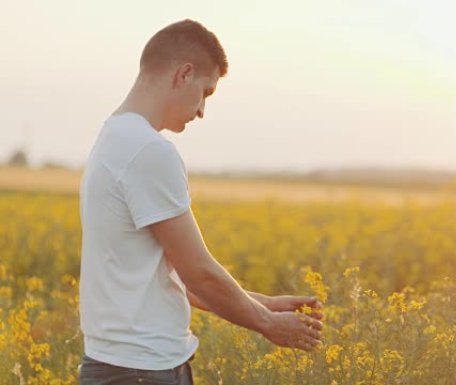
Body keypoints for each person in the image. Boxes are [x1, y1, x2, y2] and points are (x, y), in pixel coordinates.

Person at [78, 19, 323, 385]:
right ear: (184, 74)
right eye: (205, 92)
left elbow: (173, 278)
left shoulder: (113, 138)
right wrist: (269, 324)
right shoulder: (148, 150)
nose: (202, 111)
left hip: (120, 368)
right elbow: (199, 272)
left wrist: (263, 303)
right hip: (141, 372)